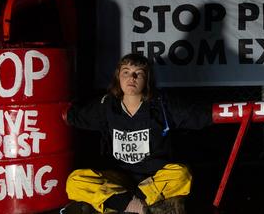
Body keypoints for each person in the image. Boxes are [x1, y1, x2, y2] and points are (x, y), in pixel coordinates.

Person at [61, 53, 212, 214]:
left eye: (138, 73)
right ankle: (130, 205)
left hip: (153, 179)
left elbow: (199, 114)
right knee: (74, 180)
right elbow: (73, 115)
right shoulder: (107, 105)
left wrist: (229, 111)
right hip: (118, 179)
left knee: (182, 174)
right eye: (126, 72)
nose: (131, 77)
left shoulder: (161, 104)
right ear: (118, 77)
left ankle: (126, 204)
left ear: (147, 79)